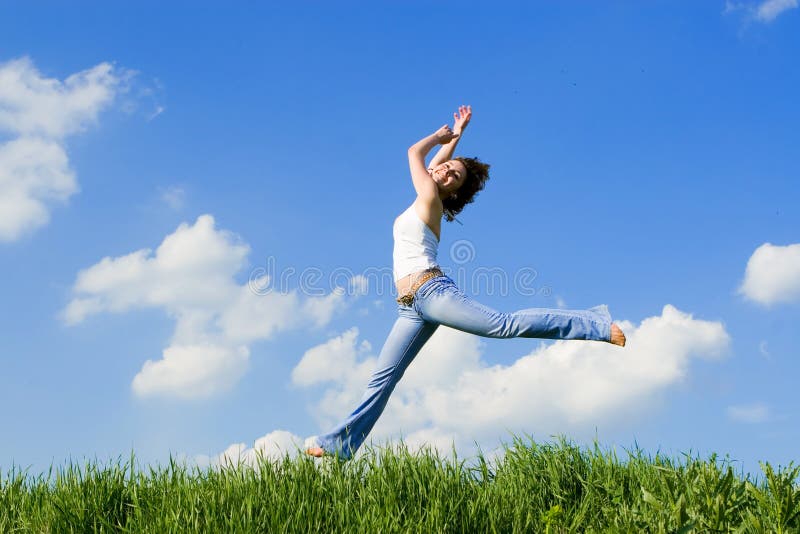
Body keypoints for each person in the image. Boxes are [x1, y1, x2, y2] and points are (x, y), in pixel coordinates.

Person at [305, 105, 625, 459]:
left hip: (432, 293)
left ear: (453, 192)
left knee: (502, 326)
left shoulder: (430, 200)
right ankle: (339, 444)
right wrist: (456, 136)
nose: (445, 174)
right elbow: (433, 164)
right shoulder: (425, 193)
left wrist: (437, 139)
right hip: (410, 309)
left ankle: (595, 325)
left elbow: (415, 153)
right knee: (383, 379)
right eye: (445, 169)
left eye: (453, 177)